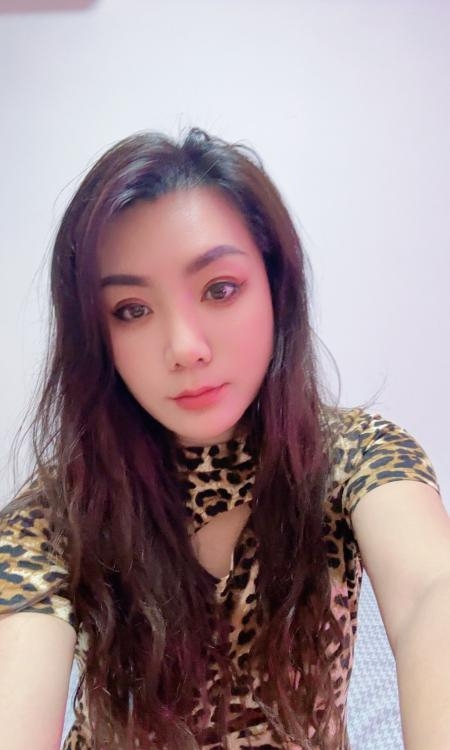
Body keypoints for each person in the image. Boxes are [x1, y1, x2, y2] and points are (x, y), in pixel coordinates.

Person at [0, 129, 449, 750]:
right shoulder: (60, 509)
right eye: (131, 309)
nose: (185, 348)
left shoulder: (356, 454)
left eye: (220, 289)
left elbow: (431, 592)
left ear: (276, 288)